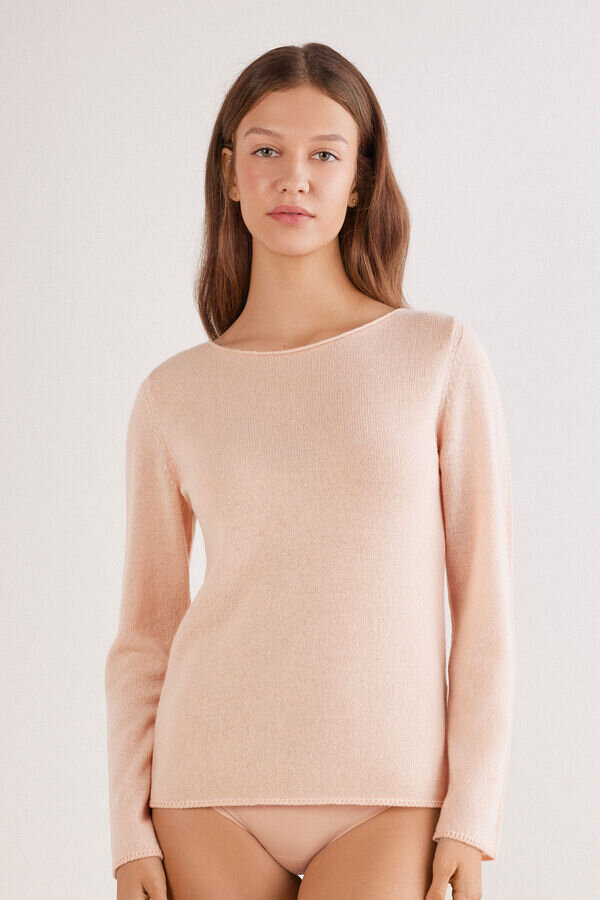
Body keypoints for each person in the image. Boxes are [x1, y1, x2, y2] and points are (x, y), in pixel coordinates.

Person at [104, 42, 515, 900]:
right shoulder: (173, 394)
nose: (294, 178)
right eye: (267, 150)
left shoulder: (436, 356)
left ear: (360, 179)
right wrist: (127, 830)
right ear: (230, 173)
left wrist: (472, 813)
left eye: (325, 155)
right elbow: (146, 631)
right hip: (205, 786)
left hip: (394, 790)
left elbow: (484, 603)